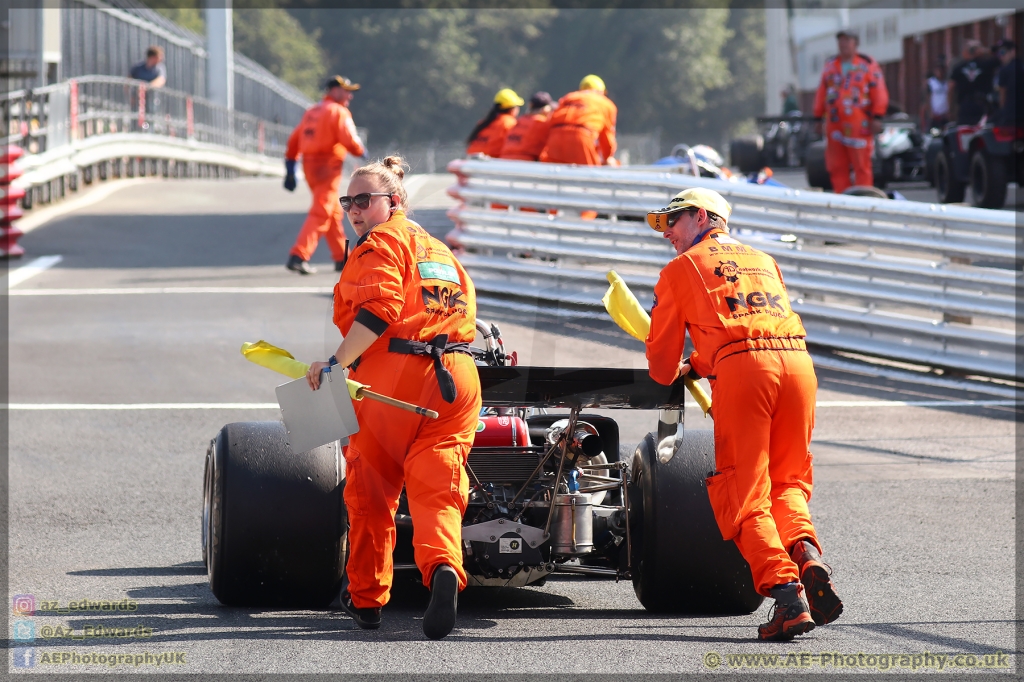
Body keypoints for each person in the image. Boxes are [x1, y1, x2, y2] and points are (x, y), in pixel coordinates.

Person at [644, 187, 842, 642]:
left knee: (744, 489)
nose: (667, 234)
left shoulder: (682, 268)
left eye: (672, 222)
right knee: (788, 482)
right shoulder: (764, 260)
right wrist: (702, 361)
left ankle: (787, 596)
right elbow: (750, 329)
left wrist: (677, 366)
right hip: (797, 365)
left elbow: (660, 361)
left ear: (700, 217)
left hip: (746, 373)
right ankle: (807, 553)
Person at [305, 156, 482, 640]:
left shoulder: (378, 244)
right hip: (458, 376)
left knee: (371, 491)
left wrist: (337, 363)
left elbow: (379, 311)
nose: (355, 210)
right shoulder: (441, 250)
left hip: (394, 377)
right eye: (348, 202)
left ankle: (365, 601)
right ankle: (443, 567)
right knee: (438, 488)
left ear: (394, 201)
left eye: (365, 200)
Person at [284, 76, 366, 275]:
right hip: (328, 167)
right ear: (334, 90)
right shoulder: (339, 112)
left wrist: (290, 167)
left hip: (309, 167)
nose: (349, 96)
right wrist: (362, 153)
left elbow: (295, 139)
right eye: (346, 90)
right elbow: (349, 139)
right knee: (322, 211)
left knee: (331, 212)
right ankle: (299, 255)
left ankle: (342, 258)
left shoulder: (312, 111)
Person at [812, 29, 889, 192]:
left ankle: (863, 200)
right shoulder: (830, 66)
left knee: (861, 164)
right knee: (836, 165)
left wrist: (877, 116)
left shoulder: (867, 65)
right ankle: (842, 200)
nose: (843, 44)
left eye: (847, 40)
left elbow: (879, 92)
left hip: (858, 124)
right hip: (835, 124)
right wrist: (818, 117)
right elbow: (821, 93)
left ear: (856, 43)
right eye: (841, 40)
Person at [539, 74, 618, 165]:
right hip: (582, 138)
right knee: (589, 176)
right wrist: (607, 157)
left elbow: (552, 120)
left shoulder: (569, 97)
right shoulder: (606, 104)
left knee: (553, 175)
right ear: (602, 92)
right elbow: (607, 136)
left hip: (556, 137)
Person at [947, 39, 1000, 125]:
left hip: (965, 106)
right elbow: (1000, 55)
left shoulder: (958, 67)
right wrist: (986, 51)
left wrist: (951, 109)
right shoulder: (987, 64)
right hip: (983, 105)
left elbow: (951, 89)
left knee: (965, 131)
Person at [499, 91, 555, 161]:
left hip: (503, 160)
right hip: (526, 164)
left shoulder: (519, 120)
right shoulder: (542, 123)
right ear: (545, 109)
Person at [466, 89, 523, 157]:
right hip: (493, 162)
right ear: (512, 109)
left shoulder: (484, 122)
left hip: (472, 160)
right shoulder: (510, 123)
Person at [994, 39, 1023, 126]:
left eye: (1002, 52)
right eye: (998, 53)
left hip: (1011, 114)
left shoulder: (1004, 70)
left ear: (1013, 51)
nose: (1000, 56)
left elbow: (1003, 92)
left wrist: (1002, 110)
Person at [921, 63, 950, 130]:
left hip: (945, 113)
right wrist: (930, 112)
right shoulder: (931, 83)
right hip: (935, 114)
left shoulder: (947, 83)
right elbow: (927, 98)